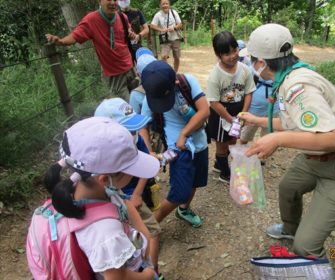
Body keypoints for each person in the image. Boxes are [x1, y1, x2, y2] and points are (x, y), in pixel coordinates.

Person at [238, 24, 335, 257]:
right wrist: (258, 120)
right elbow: (297, 124)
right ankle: (290, 229)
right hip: (315, 159)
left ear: (260, 63)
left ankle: (311, 259)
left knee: (305, 247)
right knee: (288, 187)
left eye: (251, 59)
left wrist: (277, 139)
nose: (250, 64)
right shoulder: (290, 76)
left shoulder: (299, 86)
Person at [36, 117, 160, 279]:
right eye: (131, 169)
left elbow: (135, 222)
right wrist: (149, 274)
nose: (135, 174)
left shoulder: (84, 192)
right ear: (104, 179)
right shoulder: (104, 232)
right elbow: (118, 278)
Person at [94, 98, 164, 279]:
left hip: (129, 195)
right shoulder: (104, 228)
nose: (134, 133)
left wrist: (137, 194)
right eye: (128, 129)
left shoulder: (134, 138)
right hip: (126, 196)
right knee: (148, 235)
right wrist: (147, 274)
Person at [140, 60, 210, 228]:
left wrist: (184, 133)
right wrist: (149, 151)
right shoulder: (150, 97)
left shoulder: (187, 82)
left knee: (195, 182)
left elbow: (204, 111)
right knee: (179, 193)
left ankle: (184, 210)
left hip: (199, 144)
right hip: (177, 151)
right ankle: (151, 225)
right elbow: (143, 126)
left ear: (175, 82)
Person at [45, 0, 139, 101]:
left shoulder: (122, 17)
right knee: (127, 109)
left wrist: (131, 33)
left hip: (130, 68)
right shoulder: (91, 20)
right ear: (99, 1)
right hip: (115, 75)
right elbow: (75, 36)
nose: (112, 2)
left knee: (139, 101)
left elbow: (128, 30)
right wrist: (60, 41)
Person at [206, 31, 255, 183]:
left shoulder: (245, 69)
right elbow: (213, 102)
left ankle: (218, 164)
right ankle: (224, 173)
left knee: (232, 141)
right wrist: (230, 119)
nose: (233, 56)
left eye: (234, 50)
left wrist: (243, 114)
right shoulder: (215, 75)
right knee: (222, 145)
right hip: (221, 114)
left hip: (238, 112)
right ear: (218, 55)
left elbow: (248, 92)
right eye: (227, 54)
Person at [150, 0, 183, 72]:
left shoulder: (174, 12)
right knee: (164, 56)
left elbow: (180, 24)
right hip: (165, 39)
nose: (165, 5)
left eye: (166, 3)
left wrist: (174, 28)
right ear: (160, 5)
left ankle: (175, 73)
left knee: (177, 57)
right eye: (163, 4)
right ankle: (167, 72)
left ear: (169, 5)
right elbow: (152, 25)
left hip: (175, 38)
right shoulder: (158, 14)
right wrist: (161, 29)